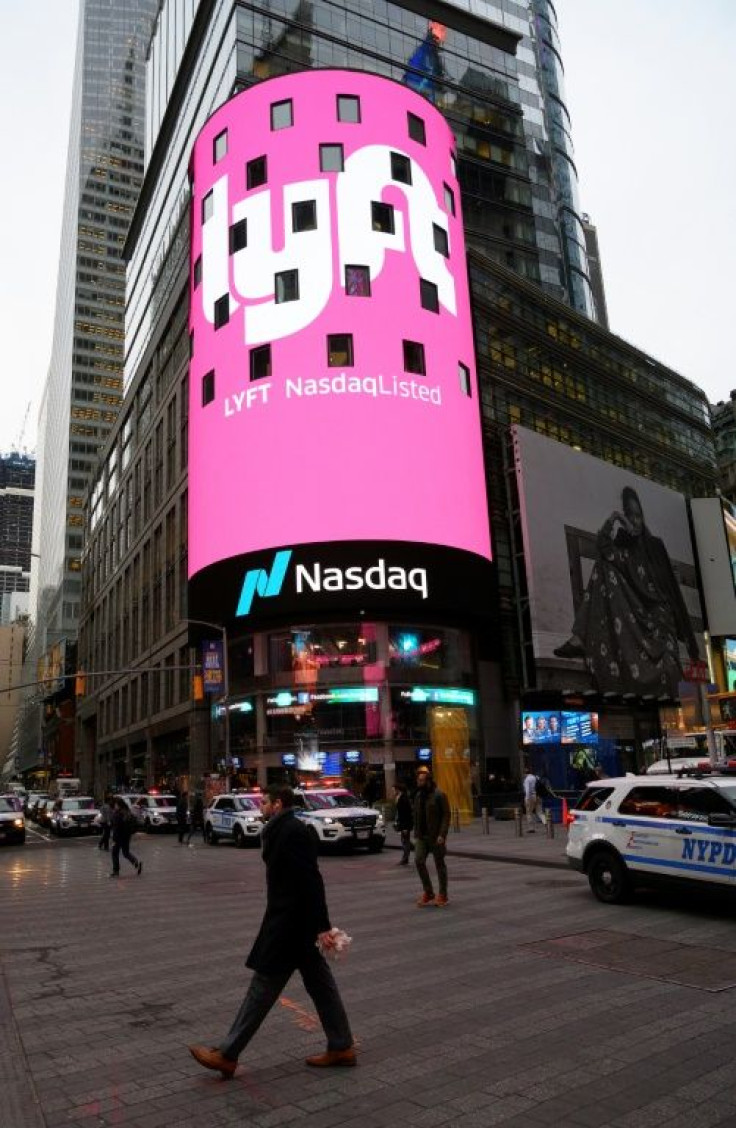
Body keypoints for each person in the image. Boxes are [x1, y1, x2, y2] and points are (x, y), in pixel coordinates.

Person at [188, 785, 355, 1078]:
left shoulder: (293, 831)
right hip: (294, 925)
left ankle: (228, 1054)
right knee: (321, 987)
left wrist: (322, 926)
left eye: (264, 802)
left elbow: (311, 880)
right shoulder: (281, 829)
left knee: (262, 988)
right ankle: (341, 1046)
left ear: (277, 804)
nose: (260, 807)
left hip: (290, 926)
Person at [554, 486, 700, 697]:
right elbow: (604, 548)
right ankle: (579, 638)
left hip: (656, 617)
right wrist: (613, 519)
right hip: (633, 613)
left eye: (638, 516)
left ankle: (579, 638)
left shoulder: (655, 546)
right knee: (604, 566)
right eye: (630, 516)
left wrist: (691, 645)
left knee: (606, 567)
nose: (636, 522)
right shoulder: (623, 545)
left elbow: (670, 592)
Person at [412, 766, 451, 907]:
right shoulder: (418, 796)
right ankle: (428, 892)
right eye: (418, 780)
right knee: (418, 860)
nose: (418, 782)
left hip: (436, 837)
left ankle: (443, 895)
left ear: (428, 781)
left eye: (421, 780)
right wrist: (415, 833)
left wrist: (442, 834)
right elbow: (416, 815)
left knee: (440, 865)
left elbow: (446, 815)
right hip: (422, 837)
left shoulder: (439, 795)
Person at [110, 798, 142, 877]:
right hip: (126, 836)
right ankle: (136, 863)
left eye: (116, 805)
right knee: (126, 853)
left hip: (118, 837)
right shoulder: (127, 812)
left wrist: (114, 838)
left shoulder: (117, 814)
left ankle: (116, 871)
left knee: (114, 853)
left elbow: (116, 827)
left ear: (118, 805)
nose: (115, 806)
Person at [392, 782, 413, 865]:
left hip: (405, 823)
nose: (393, 792)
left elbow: (405, 813)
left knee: (405, 841)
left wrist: (405, 827)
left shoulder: (403, 799)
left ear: (398, 790)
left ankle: (405, 858)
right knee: (404, 840)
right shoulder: (399, 797)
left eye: (393, 790)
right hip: (402, 822)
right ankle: (405, 857)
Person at [523, 768, 545, 833]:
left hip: (531, 797)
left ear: (525, 773)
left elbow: (527, 790)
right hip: (538, 796)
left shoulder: (527, 779)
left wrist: (527, 799)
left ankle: (531, 828)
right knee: (539, 812)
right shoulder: (536, 777)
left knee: (529, 813)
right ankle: (546, 823)